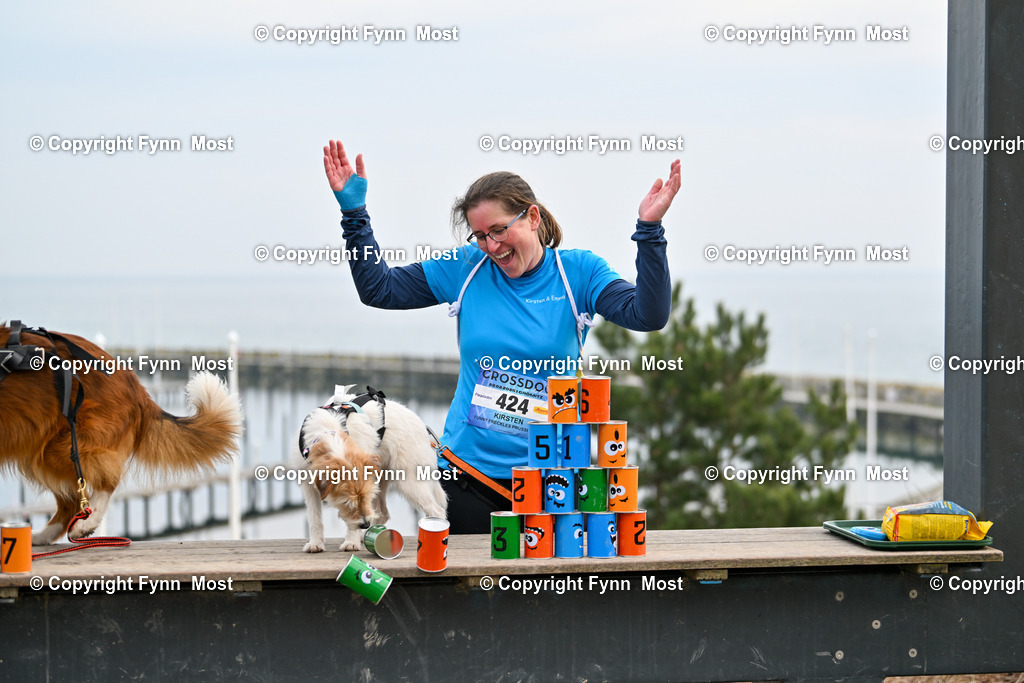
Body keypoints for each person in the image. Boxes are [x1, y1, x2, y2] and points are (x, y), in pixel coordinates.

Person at [323, 139, 681, 533]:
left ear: (532, 216)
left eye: (498, 230)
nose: (491, 246)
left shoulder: (579, 272)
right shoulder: (466, 267)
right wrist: (354, 216)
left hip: (550, 484)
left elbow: (648, 315)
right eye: (480, 236)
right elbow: (380, 290)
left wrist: (650, 232)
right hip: (467, 479)